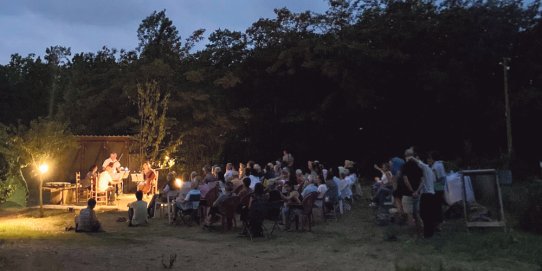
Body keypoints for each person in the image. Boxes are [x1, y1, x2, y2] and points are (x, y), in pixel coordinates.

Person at [412, 155, 437, 238]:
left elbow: (419, 163)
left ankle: (427, 234)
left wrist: (411, 157)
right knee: (429, 215)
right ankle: (430, 233)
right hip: (431, 195)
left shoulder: (425, 167)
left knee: (425, 215)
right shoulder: (429, 170)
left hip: (427, 195)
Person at [401, 148, 424, 227]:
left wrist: (412, 191)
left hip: (408, 194)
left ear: (406, 156)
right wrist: (417, 191)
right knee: (417, 213)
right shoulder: (419, 166)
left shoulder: (404, 166)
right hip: (417, 194)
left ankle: (412, 233)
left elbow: (406, 180)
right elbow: (422, 181)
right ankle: (421, 229)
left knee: (409, 214)